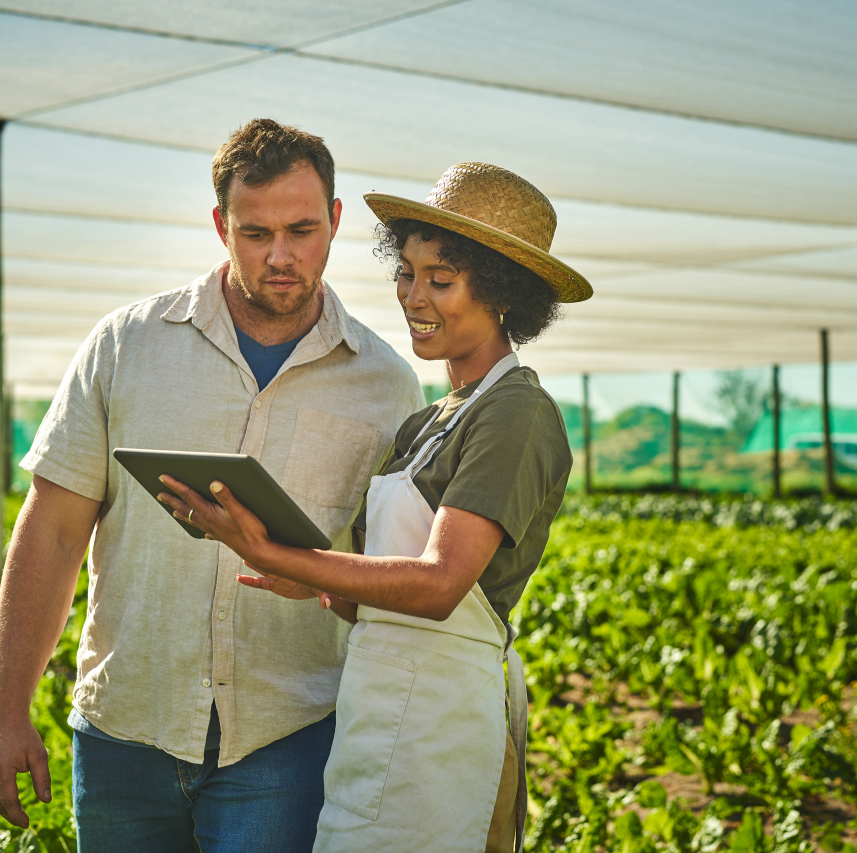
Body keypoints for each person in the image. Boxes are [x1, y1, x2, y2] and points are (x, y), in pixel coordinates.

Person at [0, 118, 423, 852]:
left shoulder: (385, 384)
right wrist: (4, 709)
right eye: (255, 233)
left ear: (336, 221)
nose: (281, 255)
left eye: (303, 229)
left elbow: (389, 569)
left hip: (288, 737)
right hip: (127, 729)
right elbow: (53, 529)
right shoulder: (127, 345)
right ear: (220, 225)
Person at [160, 162, 591, 853]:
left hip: (440, 730)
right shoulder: (429, 422)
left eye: (440, 280)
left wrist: (279, 552)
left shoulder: (518, 412)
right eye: (406, 272)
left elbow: (442, 583)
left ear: (505, 295)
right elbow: (377, 596)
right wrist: (317, 586)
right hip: (377, 718)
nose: (413, 296)